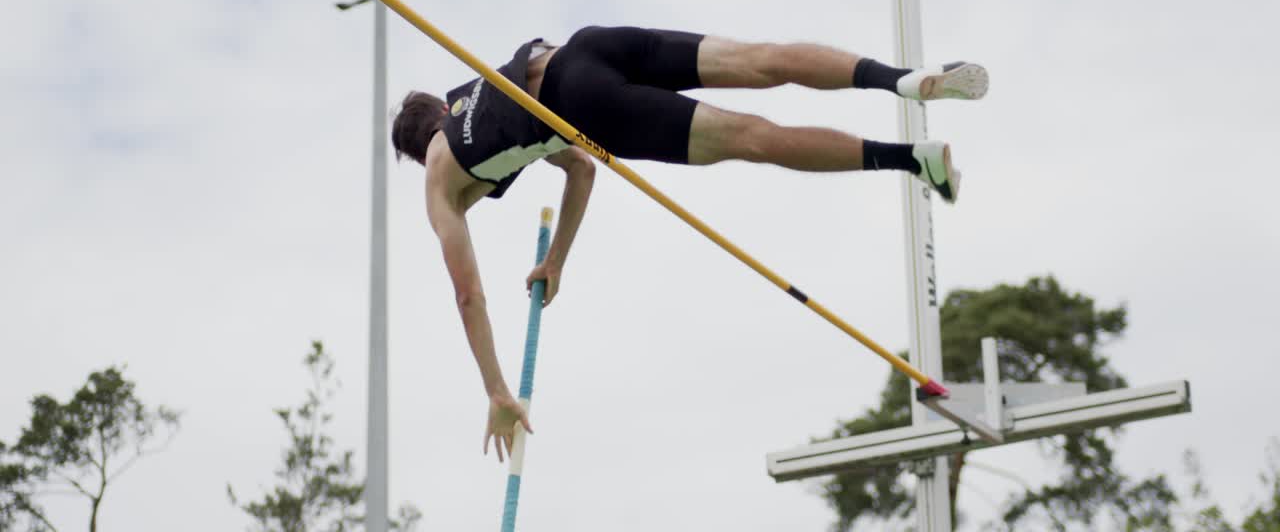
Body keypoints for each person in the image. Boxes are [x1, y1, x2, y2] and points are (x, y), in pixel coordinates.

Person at [389, 25, 988, 461]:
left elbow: (470, 298)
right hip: (589, 46)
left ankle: (910, 160)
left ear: (419, 154)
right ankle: (903, 80)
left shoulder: (441, 183)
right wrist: (554, 260)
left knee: (753, 138)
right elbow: (581, 168)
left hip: (584, 102)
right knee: (764, 57)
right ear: (443, 106)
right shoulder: (478, 94)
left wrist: (497, 392)